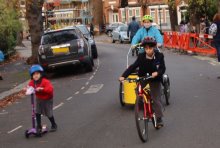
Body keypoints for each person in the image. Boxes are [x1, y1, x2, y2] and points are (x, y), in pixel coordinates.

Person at [119, 37, 166, 128]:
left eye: (150, 48)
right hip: (143, 77)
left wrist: (157, 72)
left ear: (154, 47)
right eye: (146, 48)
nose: (148, 50)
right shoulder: (141, 56)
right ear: (144, 48)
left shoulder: (159, 55)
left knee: (156, 98)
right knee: (138, 90)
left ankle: (159, 118)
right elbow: (132, 67)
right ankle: (143, 101)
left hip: (155, 78)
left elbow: (163, 68)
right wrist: (123, 76)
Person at [27, 65, 57, 133]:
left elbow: (50, 89)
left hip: (47, 98)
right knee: (37, 112)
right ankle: (39, 126)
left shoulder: (45, 81)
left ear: (41, 74)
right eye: (34, 74)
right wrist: (27, 89)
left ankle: (54, 124)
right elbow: (29, 87)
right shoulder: (32, 82)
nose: (36, 76)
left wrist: (42, 89)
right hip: (39, 98)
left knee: (48, 112)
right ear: (32, 76)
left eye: (37, 73)